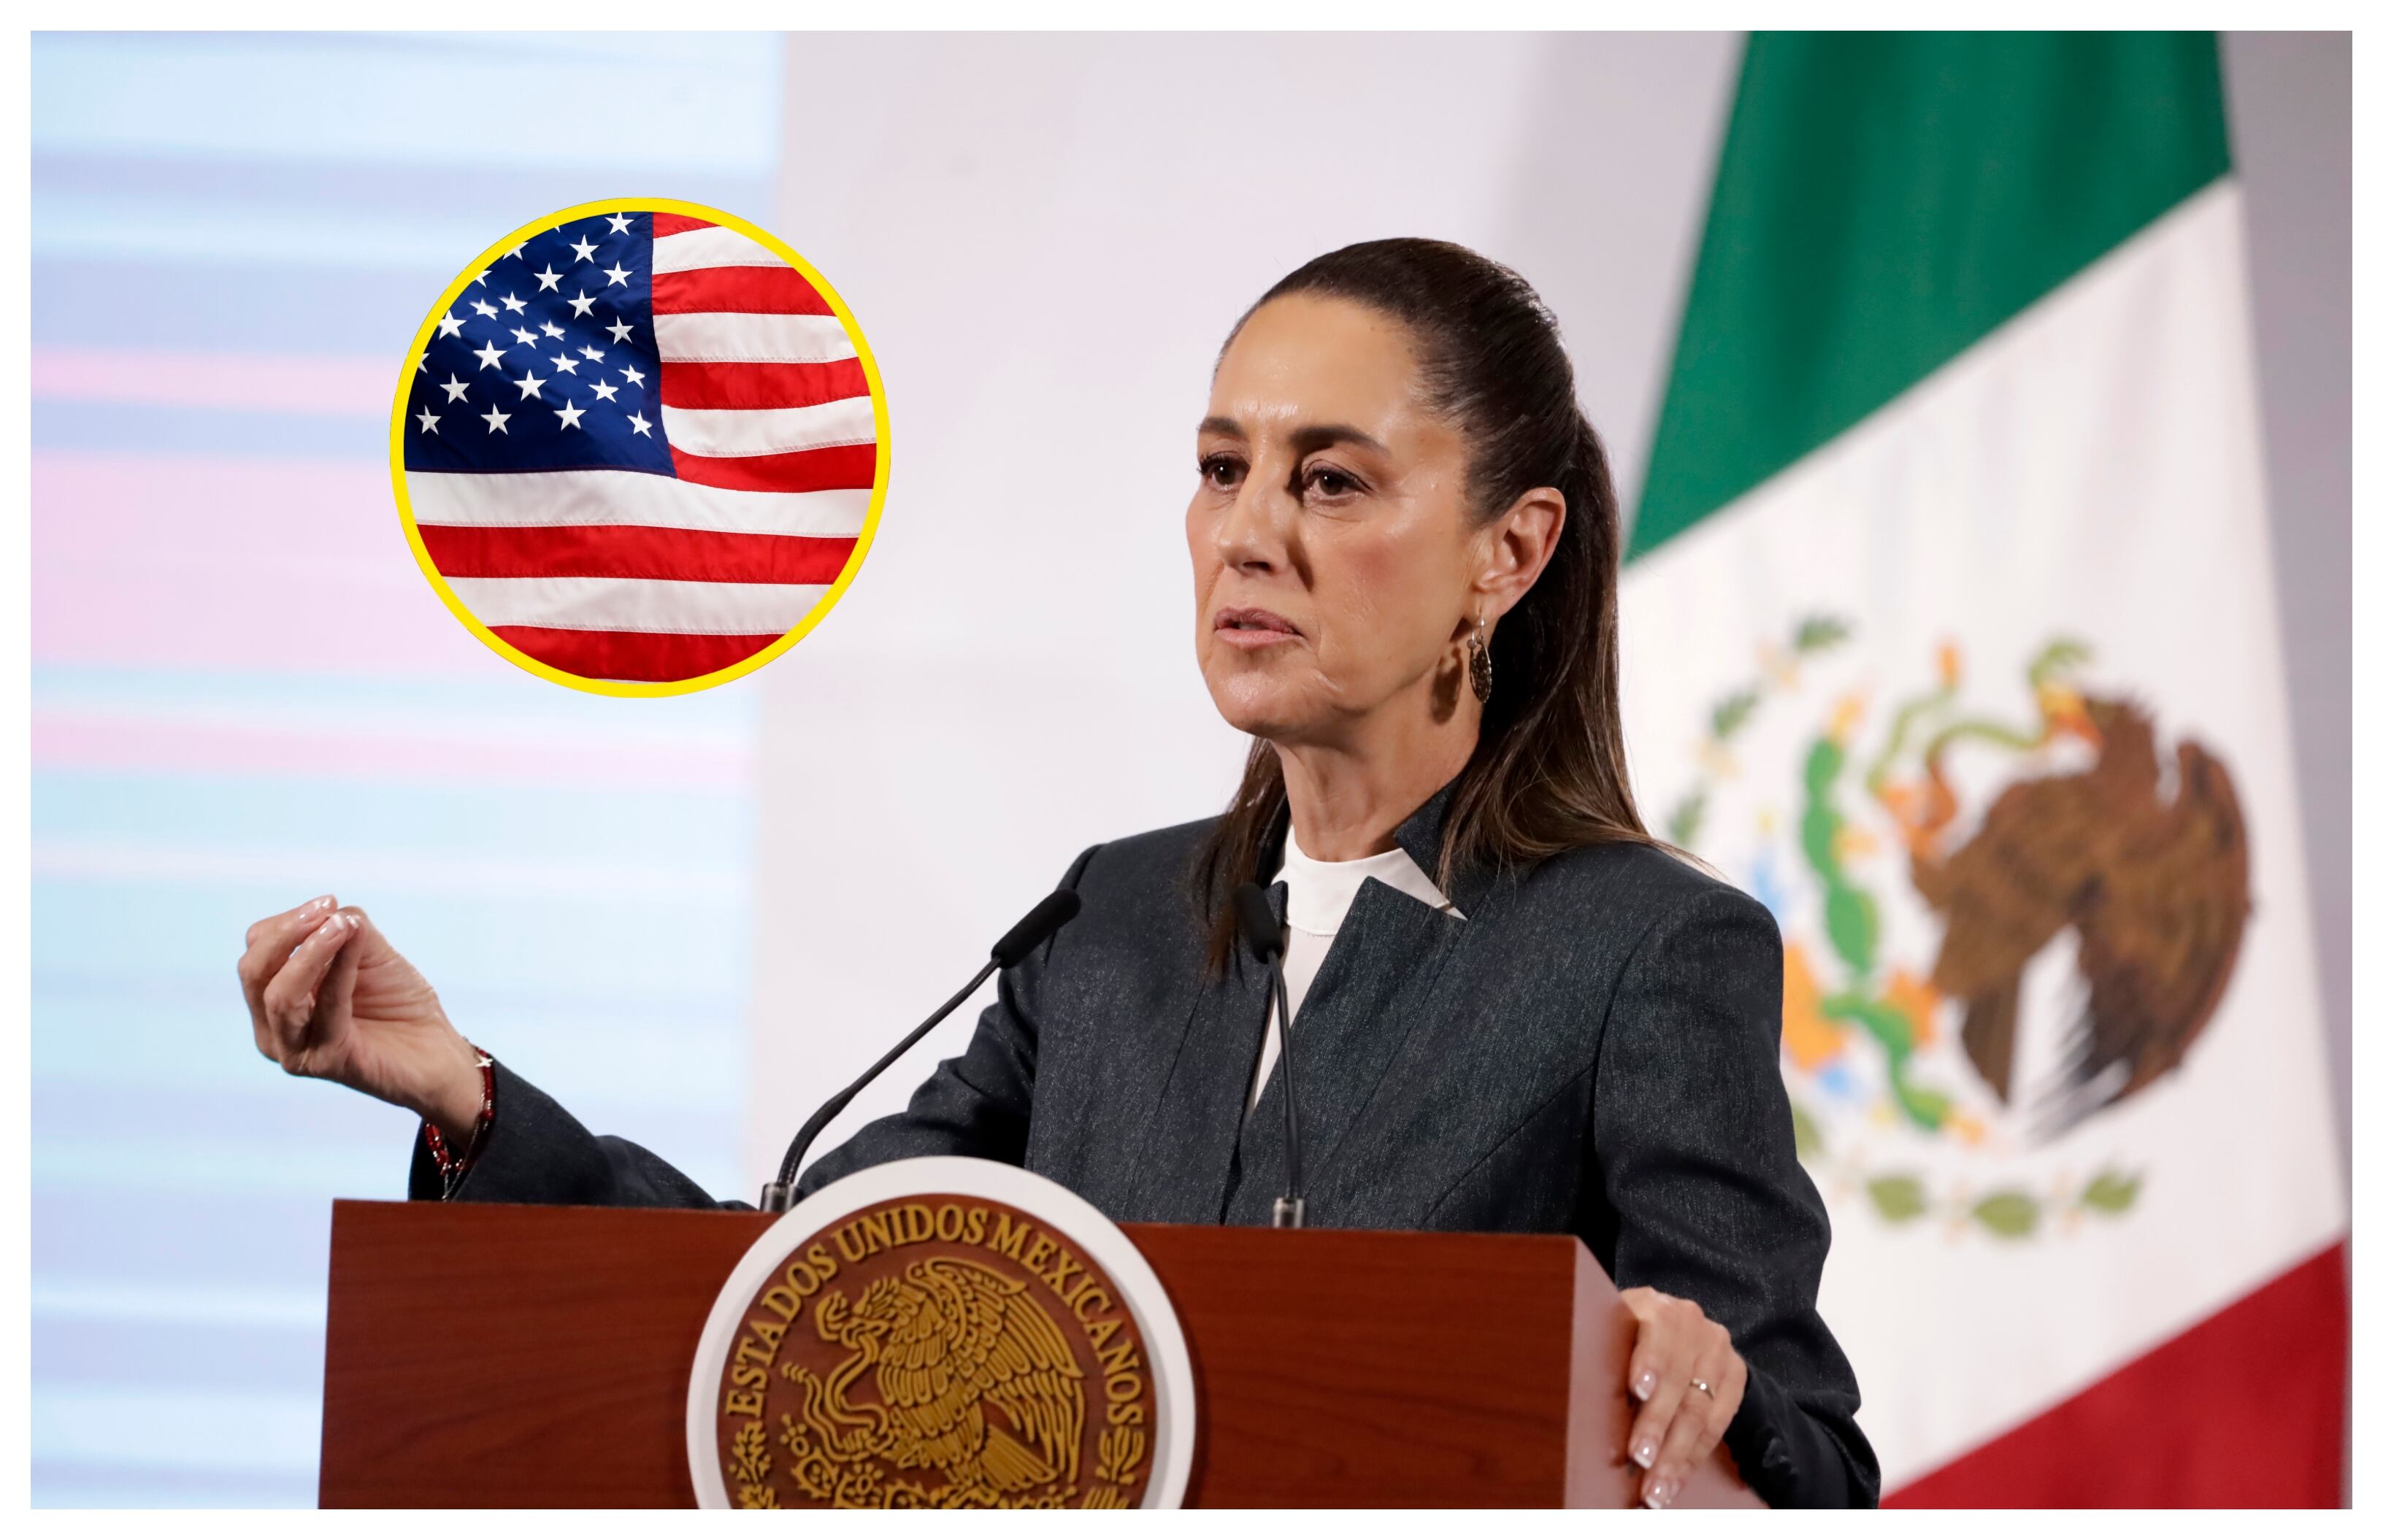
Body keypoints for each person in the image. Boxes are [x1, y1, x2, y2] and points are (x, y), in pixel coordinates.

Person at [238, 239, 1878, 1509]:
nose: (1247, 531)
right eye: (1221, 466)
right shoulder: (1113, 925)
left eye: (1330, 478)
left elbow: (1811, 1456)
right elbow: (798, 1274)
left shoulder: (1649, 949)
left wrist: (1692, 1390)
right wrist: (467, 1099)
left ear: (1508, 553)